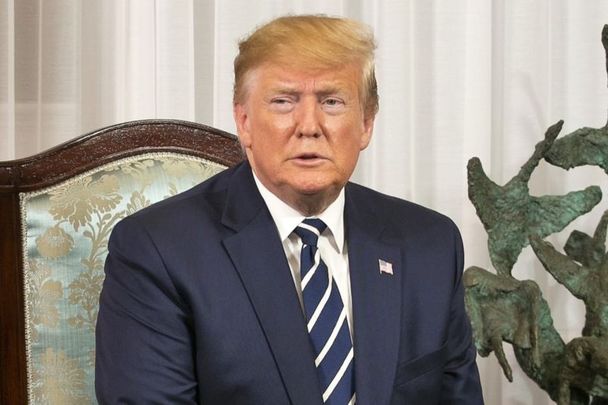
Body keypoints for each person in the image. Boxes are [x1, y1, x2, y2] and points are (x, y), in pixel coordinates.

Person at [95, 15, 484, 404]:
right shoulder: (158, 251)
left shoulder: (429, 245)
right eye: (284, 101)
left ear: (366, 123)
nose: (309, 126)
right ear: (244, 122)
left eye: (332, 102)